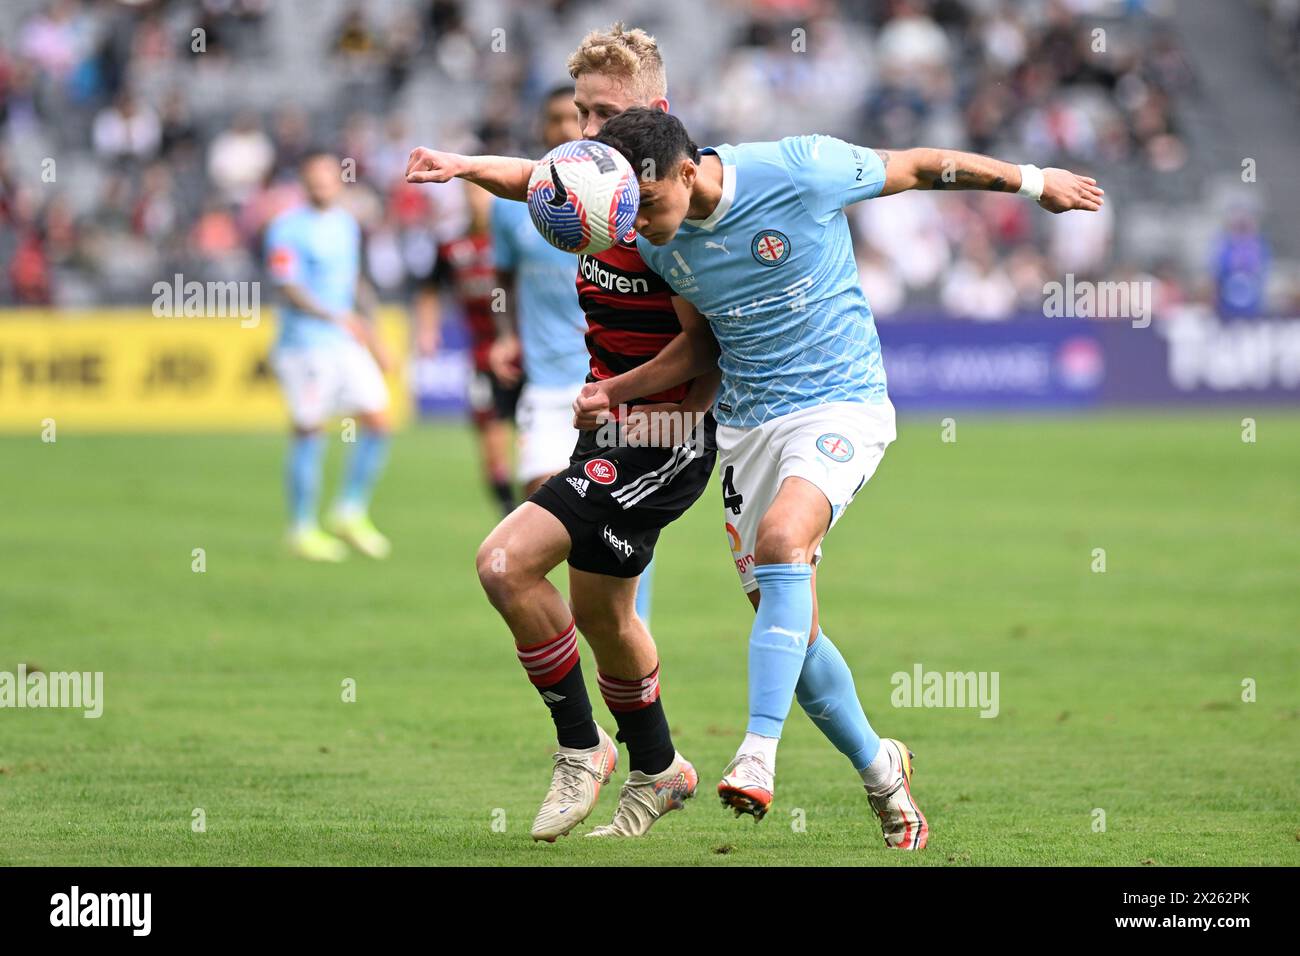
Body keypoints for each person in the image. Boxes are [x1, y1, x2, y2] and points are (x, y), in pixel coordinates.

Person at [576, 106, 1104, 849]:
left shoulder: (800, 168)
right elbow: (701, 350)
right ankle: (882, 770)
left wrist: (1034, 181)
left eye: (650, 204)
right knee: (795, 631)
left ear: (688, 172)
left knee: (782, 540)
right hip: (750, 431)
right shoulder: (658, 244)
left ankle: (757, 753)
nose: (639, 224)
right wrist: (617, 391)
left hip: (840, 403)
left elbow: (918, 166)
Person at [405, 24, 718, 840]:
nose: (587, 134)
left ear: (656, 110)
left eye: (606, 115)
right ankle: (661, 770)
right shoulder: (597, 176)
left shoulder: (670, 206)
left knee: (504, 565)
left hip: (663, 431)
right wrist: (462, 166)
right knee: (605, 618)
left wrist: (615, 393)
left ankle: (583, 750)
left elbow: (701, 347)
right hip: (610, 424)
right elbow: (531, 179)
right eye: (581, 113)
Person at [266, 149, 393, 562]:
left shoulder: (345, 224)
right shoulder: (286, 228)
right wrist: (335, 316)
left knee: (378, 419)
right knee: (310, 431)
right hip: (305, 344)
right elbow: (287, 287)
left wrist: (374, 337)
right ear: (303, 181)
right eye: (313, 176)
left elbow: (355, 280)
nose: (322, 182)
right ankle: (301, 528)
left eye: (328, 175)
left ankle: (348, 510)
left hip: (343, 341)